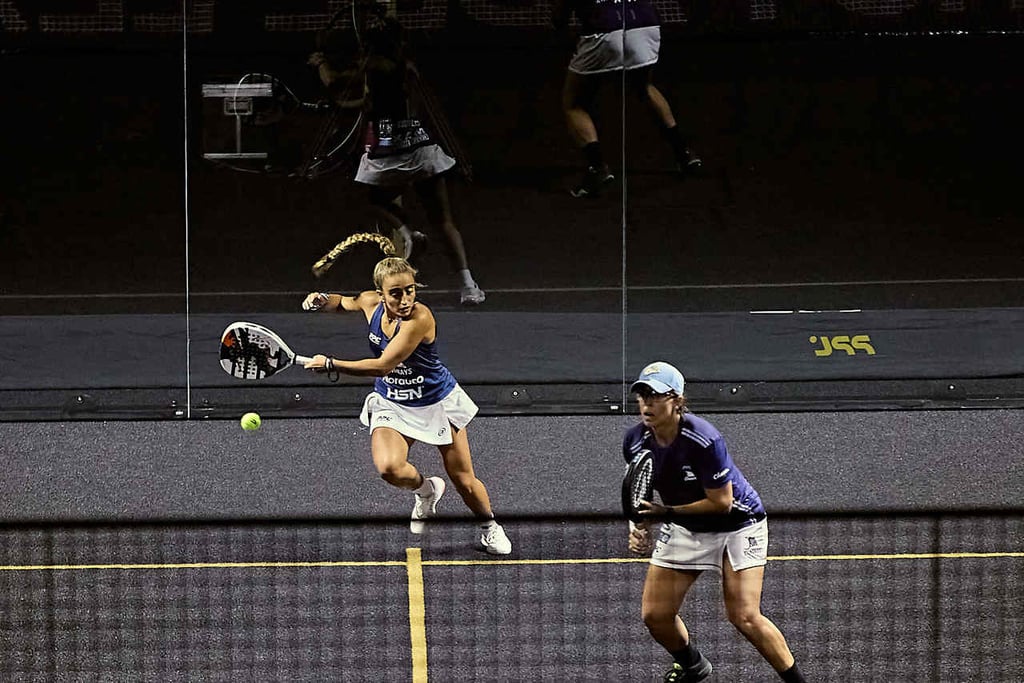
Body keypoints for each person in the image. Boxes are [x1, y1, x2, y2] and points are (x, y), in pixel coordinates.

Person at [299, 246, 511, 555]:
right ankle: (426, 491)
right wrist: (321, 300)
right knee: (390, 468)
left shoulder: (420, 319)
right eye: (396, 293)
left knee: (464, 480)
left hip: (436, 401)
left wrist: (332, 364)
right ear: (380, 294)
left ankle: (490, 527)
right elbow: (345, 303)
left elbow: (383, 365)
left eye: (409, 290)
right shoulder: (369, 303)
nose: (405, 299)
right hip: (392, 401)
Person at [624, 361, 806, 682]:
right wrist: (639, 527)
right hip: (686, 524)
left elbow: (721, 504)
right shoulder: (636, 440)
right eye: (642, 396)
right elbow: (642, 484)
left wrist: (665, 515)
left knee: (745, 616)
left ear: (677, 401)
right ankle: (693, 665)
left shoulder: (704, 440)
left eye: (655, 396)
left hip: (738, 525)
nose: (647, 404)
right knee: (656, 615)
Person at [308, 7, 486, 305]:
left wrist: (321, 62)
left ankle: (406, 231)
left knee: (372, 200)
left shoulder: (374, 67)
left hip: (392, 153)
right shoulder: (404, 66)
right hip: (420, 149)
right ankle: (468, 286)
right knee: (443, 220)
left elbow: (335, 82)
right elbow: (362, 102)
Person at [552, 0, 703, 198]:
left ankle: (597, 168)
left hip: (606, 31)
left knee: (573, 103)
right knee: (644, 87)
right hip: (647, 26)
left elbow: (558, 20)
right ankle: (684, 153)